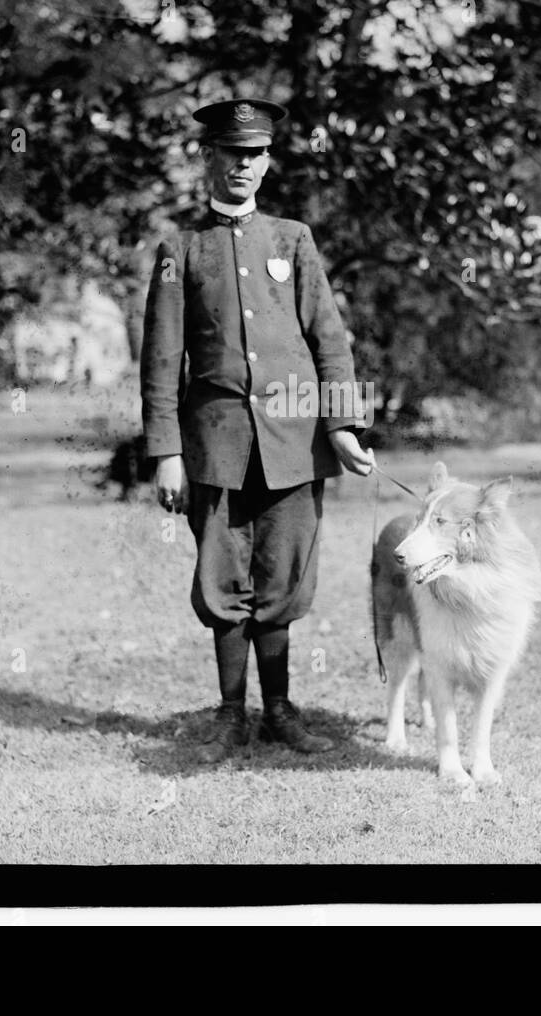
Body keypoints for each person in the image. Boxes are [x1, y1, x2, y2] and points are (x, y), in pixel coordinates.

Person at [141, 96, 374, 764]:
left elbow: (330, 339)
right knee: (223, 577)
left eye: (255, 155)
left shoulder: (293, 240)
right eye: (231, 153)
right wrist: (166, 452)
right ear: (208, 158)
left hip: (295, 440)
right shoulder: (179, 249)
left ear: (268, 163)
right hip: (215, 443)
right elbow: (161, 358)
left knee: (285, 576)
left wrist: (344, 424)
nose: (243, 166)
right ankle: (229, 716)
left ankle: (278, 711)